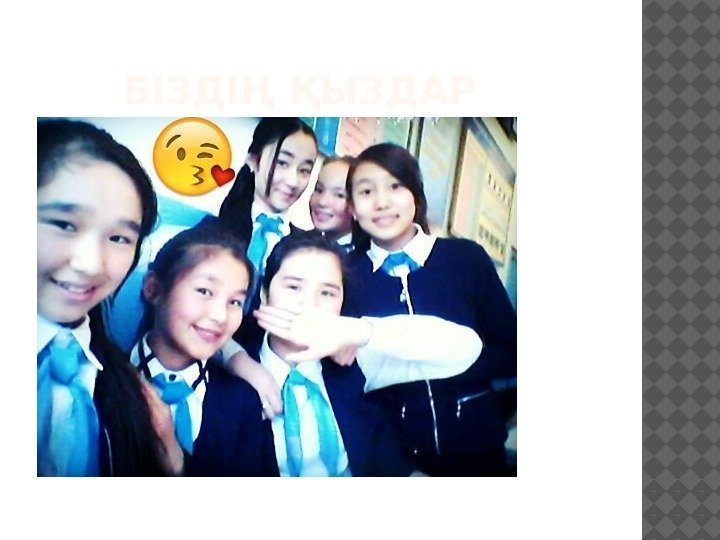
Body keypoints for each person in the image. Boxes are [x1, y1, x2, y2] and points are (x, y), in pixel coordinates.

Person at [341, 142, 518, 476]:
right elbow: (348, 375)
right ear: (351, 207)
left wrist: (444, 365)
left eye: (395, 186)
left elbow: (511, 349)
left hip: (478, 448)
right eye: (366, 191)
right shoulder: (346, 275)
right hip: (393, 455)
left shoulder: (465, 258)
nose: (382, 202)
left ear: (416, 195)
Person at [37, 118, 183, 476]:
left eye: (119, 238)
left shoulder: (128, 390)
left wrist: (171, 457)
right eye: (64, 224)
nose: (91, 264)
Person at [249, 231, 421, 476]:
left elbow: (464, 349)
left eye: (327, 293)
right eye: (294, 287)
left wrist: (358, 332)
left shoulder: (356, 370)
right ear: (264, 294)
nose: (310, 304)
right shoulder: (232, 375)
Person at [131, 223, 273, 476]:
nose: (221, 316)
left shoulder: (242, 402)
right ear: (153, 288)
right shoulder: (98, 381)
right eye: (204, 291)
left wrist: (175, 459)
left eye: (235, 302)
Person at [308, 156, 354, 251]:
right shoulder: (300, 242)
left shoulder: (360, 257)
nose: (322, 202)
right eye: (319, 190)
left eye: (340, 195)